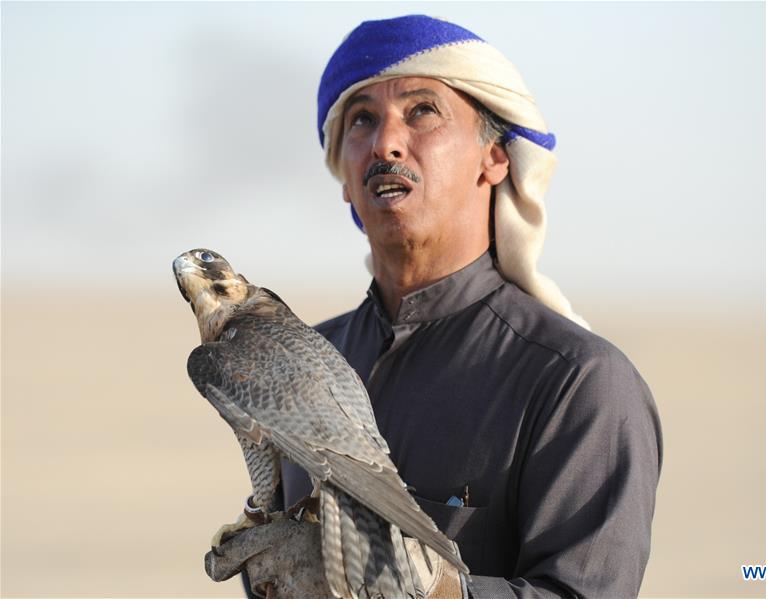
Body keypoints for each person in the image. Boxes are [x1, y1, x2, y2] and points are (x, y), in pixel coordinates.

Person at [207, 14, 663, 599]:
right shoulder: (299, 364)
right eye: (362, 120)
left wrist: (432, 589)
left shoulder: (578, 383)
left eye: (422, 111)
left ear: (495, 159)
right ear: (344, 178)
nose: (386, 142)